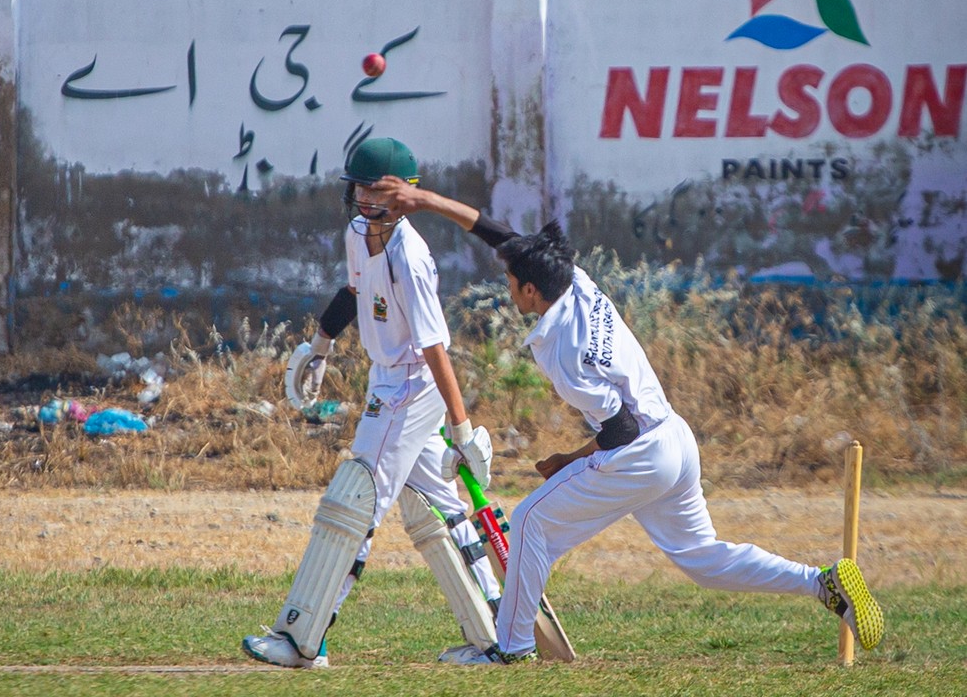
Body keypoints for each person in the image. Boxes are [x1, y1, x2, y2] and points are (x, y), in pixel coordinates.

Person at [372, 178, 886, 664]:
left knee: (529, 521)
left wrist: (570, 458)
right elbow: (501, 236)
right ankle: (821, 582)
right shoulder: (576, 282)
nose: (506, 286)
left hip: (640, 453)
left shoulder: (562, 352)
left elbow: (620, 431)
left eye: (510, 282)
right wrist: (428, 201)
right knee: (704, 558)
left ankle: (512, 645)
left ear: (530, 291)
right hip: (676, 439)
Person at [242, 138, 504, 669]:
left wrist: (461, 428)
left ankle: (303, 639)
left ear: (406, 194)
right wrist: (320, 345)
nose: (366, 198)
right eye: (360, 188)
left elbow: (435, 348)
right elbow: (355, 292)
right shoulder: (358, 233)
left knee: (356, 501)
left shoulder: (411, 256)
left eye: (378, 190)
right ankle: (498, 634)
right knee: (440, 507)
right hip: (386, 380)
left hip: (409, 387)